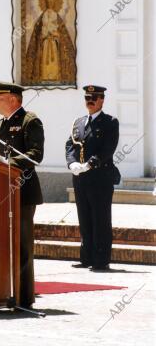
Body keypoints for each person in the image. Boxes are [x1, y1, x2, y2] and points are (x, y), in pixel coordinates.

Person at [0, 81, 44, 308]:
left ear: (14, 99)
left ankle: (24, 297)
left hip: (22, 192)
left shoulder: (30, 121)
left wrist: (8, 163)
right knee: (0, 246)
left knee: (22, 246)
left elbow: (35, 154)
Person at [65, 85, 120, 271]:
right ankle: (86, 257)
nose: (90, 101)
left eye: (94, 98)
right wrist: (72, 163)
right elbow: (70, 146)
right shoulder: (78, 122)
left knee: (100, 219)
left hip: (100, 178)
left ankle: (101, 259)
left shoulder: (110, 122)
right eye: (87, 97)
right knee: (85, 218)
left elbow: (108, 148)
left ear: (102, 100)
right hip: (80, 178)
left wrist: (90, 164)